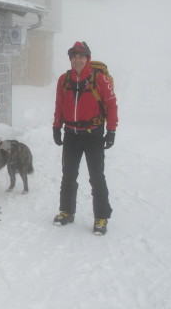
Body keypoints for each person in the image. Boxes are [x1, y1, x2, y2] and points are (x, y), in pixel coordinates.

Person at [52, 41, 118, 235]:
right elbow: (59, 103)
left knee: (97, 177)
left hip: (93, 134)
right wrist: (56, 126)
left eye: (81, 56)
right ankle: (66, 211)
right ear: (70, 59)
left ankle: (101, 216)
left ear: (87, 58)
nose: (78, 60)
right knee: (68, 175)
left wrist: (111, 130)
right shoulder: (64, 79)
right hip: (71, 134)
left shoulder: (99, 78)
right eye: (74, 57)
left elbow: (112, 105)